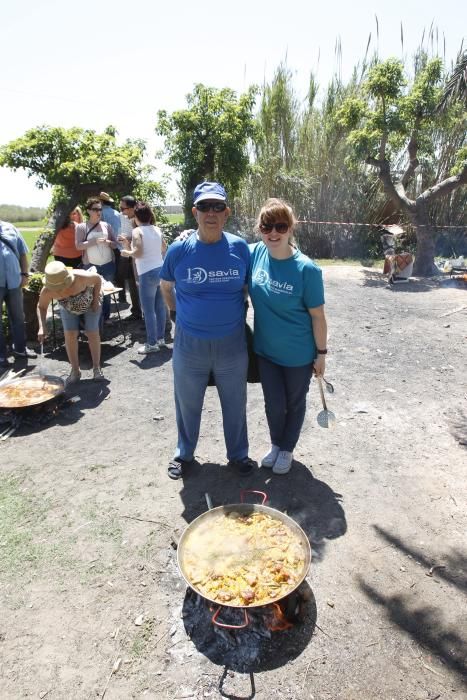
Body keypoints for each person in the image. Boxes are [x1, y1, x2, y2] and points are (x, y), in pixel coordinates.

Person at [160, 181, 254, 480]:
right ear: (194, 212)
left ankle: (238, 455)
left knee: (235, 403)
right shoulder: (179, 250)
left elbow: (248, 288)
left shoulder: (240, 248)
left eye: (217, 206)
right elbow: (165, 286)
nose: (210, 212)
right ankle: (184, 454)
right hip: (189, 345)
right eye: (204, 206)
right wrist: (177, 314)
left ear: (226, 212)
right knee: (187, 402)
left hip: (232, 344)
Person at [248, 198, 328, 475]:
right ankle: (275, 443)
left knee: (294, 403)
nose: (273, 233)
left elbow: (318, 316)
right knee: (273, 403)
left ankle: (287, 448)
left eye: (280, 226)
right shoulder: (256, 253)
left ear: (291, 228)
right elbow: (227, 250)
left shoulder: (307, 269)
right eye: (266, 226)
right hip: (266, 350)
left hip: (297, 354)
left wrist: (321, 355)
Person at [37, 261, 106, 384]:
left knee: (92, 332)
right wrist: (42, 327)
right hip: (67, 306)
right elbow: (41, 307)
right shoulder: (47, 291)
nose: (59, 290)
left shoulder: (81, 277)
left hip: (90, 300)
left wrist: (96, 301)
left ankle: (97, 368)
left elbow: (97, 280)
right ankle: (75, 371)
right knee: (70, 334)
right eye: (56, 288)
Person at [119, 201, 166, 354]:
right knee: (159, 308)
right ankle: (160, 339)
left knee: (148, 310)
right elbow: (163, 248)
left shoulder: (137, 231)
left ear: (137, 216)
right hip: (160, 270)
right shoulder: (157, 229)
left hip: (147, 273)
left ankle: (151, 343)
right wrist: (129, 246)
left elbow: (138, 252)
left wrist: (127, 252)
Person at [0, 220, 37, 365]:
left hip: (15, 280)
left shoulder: (10, 227)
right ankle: (1, 355)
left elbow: (22, 253)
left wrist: (25, 274)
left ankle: (21, 349)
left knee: (18, 317)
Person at [75, 198, 118, 322]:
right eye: (95, 209)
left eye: (100, 209)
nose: (99, 212)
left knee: (108, 292)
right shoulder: (82, 227)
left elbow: (115, 244)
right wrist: (93, 242)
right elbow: (78, 246)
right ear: (88, 211)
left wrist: (108, 242)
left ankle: (105, 318)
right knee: (91, 293)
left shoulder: (106, 226)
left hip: (108, 264)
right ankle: (93, 320)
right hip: (90, 265)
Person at [117, 195, 142, 318]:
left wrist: (127, 240)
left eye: (123, 208)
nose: (121, 211)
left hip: (138, 257)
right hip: (128, 254)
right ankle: (136, 312)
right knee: (131, 284)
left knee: (140, 285)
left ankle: (144, 314)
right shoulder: (125, 217)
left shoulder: (140, 218)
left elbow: (142, 239)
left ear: (132, 208)